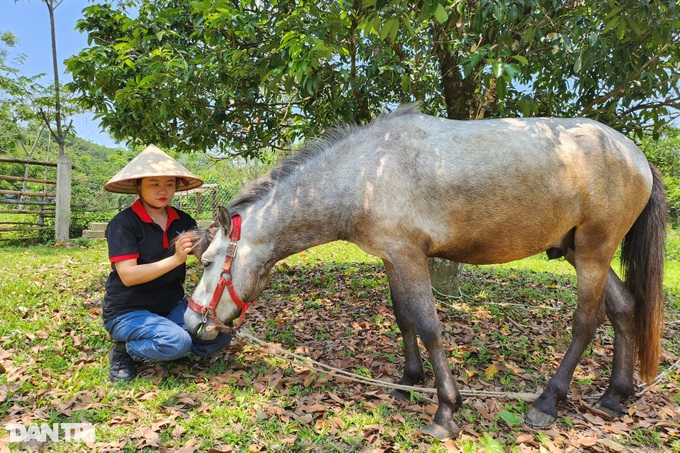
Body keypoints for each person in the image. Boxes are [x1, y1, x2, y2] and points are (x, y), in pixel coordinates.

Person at [102, 144, 231, 382]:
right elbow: (128, 275)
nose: (163, 190)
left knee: (219, 334)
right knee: (178, 342)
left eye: (169, 184)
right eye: (154, 183)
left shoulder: (182, 220)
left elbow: (203, 255)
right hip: (127, 312)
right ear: (137, 186)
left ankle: (171, 342)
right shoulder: (124, 223)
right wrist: (175, 259)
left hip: (171, 307)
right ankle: (125, 351)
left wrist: (214, 239)